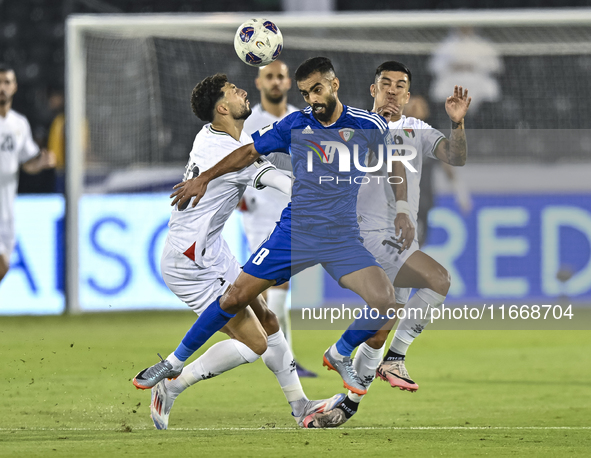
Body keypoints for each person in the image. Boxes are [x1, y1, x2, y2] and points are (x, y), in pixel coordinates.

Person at [135, 57, 415, 401]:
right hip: (294, 234)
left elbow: (396, 160)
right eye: (305, 93)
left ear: (334, 84)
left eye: (317, 89)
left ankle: (339, 354)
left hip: (341, 238)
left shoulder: (368, 124)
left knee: (386, 302)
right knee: (237, 297)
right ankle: (174, 363)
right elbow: (248, 152)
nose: (312, 98)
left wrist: (401, 207)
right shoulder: (294, 124)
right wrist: (205, 178)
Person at [132, 73, 343, 430]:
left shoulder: (226, 137)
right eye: (234, 91)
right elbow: (273, 178)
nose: (243, 91)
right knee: (254, 344)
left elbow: (256, 165)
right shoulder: (224, 149)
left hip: (212, 252)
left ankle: (300, 406)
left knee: (270, 321)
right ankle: (174, 384)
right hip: (191, 263)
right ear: (222, 107)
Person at [312, 61, 471, 427]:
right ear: (373, 90)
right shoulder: (350, 127)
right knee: (439, 279)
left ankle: (347, 405)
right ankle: (389, 357)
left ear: (409, 95)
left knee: (379, 329)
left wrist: (458, 123)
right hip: (368, 233)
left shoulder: (417, 129)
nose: (393, 90)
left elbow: (457, 157)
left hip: (399, 237)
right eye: (386, 83)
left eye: (401, 85)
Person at [240, 59, 316, 378]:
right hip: (259, 213)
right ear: (259, 83)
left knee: (272, 288)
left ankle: (276, 352)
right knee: (276, 285)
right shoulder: (248, 122)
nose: (274, 81)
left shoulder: (301, 120)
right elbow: (239, 162)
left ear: (288, 83)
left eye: (280, 77)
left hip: (294, 211)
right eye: (268, 76)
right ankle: (284, 358)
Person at [0, 64, 56, 285]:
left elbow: (26, 165)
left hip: (6, 208)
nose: (2, 87)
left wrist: (41, 163)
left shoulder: (19, 124)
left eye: (6, 82)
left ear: (14, 87)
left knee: (4, 266)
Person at [405, 95, 472, 247]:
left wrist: (462, 196)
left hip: (419, 200)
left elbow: (448, 170)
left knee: (413, 244)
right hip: (409, 200)